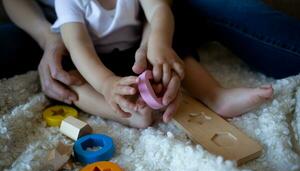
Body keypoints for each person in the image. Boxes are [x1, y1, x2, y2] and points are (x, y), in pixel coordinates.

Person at [49, 0, 272, 129]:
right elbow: (77, 44)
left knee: (174, 50)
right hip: (95, 61)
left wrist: (158, 43)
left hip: (138, 50)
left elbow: (158, 9)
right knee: (70, 79)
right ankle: (124, 113)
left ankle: (215, 95)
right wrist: (106, 83)